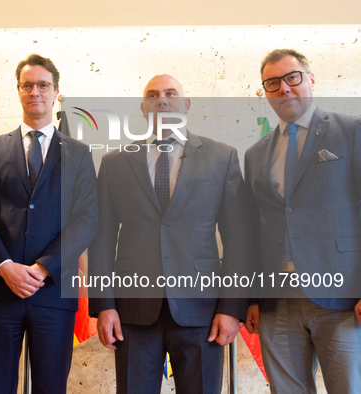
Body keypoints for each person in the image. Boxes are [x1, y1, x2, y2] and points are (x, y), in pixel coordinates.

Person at [88, 74, 251, 393]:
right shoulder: (114, 163)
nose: (162, 99)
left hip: (202, 312)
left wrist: (232, 308)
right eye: (153, 94)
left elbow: (238, 240)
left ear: (185, 105)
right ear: (143, 107)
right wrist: (104, 305)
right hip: (133, 312)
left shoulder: (222, 157)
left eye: (170, 93)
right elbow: (102, 240)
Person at [0, 53, 98, 394]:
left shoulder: (79, 153)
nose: (35, 92)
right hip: (0, 291)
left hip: (54, 292)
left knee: (51, 387)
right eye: (28, 85)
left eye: (43, 85)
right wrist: (6, 267)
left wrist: (43, 268)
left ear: (56, 91)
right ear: (18, 91)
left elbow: (86, 219)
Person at [244, 49, 361, 393]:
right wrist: (250, 297)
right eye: (273, 82)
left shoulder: (351, 131)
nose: (285, 88)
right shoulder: (255, 154)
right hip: (276, 302)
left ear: (311, 79)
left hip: (341, 297)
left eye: (292, 77)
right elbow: (253, 228)